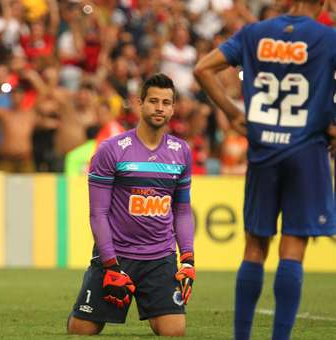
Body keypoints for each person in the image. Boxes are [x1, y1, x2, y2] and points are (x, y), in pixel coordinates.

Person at [193, 1, 336, 339]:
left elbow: (202, 69)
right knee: (293, 248)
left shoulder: (255, 33)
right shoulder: (328, 38)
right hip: (306, 151)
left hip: (263, 150)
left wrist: (231, 112)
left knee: (255, 247)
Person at [67, 73, 196, 336]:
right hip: (117, 256)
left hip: (160, 259)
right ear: (140, 103)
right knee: (81, 331)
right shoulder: (112, 149)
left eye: (166, 102)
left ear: (173, 108)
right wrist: (111, 266)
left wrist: (188, 259)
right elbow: (98, 213)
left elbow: (182, 210)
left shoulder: (181, 151)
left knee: (175, 331)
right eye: (154, 101)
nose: (160, 108)